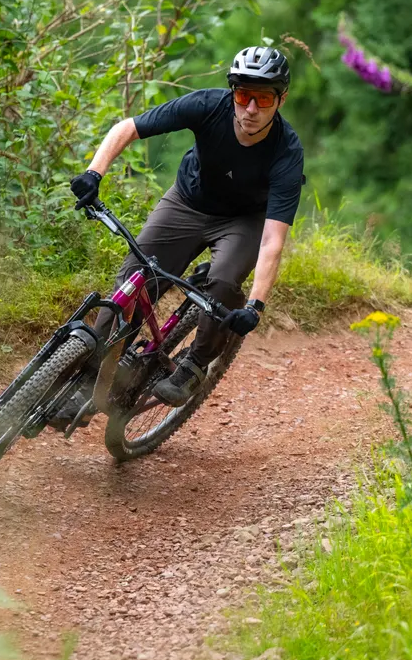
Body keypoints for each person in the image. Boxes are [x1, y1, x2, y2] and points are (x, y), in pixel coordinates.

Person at [50, 45, 304, 430]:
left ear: (281, 99)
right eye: (242, 95)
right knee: (133, 282)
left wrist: (255, 306)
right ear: (232, 91)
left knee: (221, 283)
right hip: (188, 202)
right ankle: (87, 381)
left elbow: (272, 241)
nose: (251, 108)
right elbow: (128, 128)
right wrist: (94, 173)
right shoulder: (206, 106)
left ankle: (195, 365)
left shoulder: (287, 152)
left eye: (264, 98)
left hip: (243, 220)